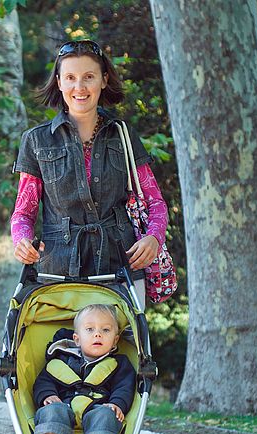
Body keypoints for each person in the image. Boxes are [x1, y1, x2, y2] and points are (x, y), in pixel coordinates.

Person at [10, 39, 169, 304]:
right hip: (57, 276)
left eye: (88, 77)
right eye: (70, 77)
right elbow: (23, 213)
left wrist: (154, 237)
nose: (79, 87)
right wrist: (22, 240)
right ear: (59, 82)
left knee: (129, 346)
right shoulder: (36, 141)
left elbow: (156, 203)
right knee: (60, 346)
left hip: (122, 270)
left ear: (104, 80)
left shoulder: (124, 135)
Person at [32, 303, 135, 434]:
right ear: (77, 339)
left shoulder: (120, 364)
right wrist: (48, 395)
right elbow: (43, 381)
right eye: (89, 329)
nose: (97, 334)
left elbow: (124, 387)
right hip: (64, 405)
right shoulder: (62, 359)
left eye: (106, 330)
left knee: (108, 415)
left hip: (98, 407)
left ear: (115, 340)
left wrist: (117, 404)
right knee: (49, 410)